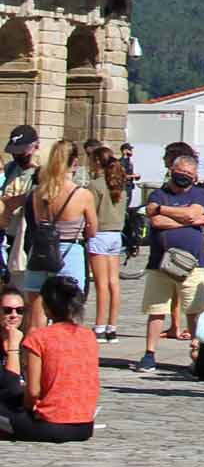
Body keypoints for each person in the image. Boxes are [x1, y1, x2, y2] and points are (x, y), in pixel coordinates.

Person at [134, 143, 204, 375]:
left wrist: (162, 210)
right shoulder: (160, 193)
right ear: (172, 171)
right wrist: (185, 218)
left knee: (194, 310)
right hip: (160, 262)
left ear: (195, 176)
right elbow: (156, 222)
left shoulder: (200, 193)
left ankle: (197, 354)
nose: (184, 177)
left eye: (189, 174)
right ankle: (149, 354)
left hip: (193, 263)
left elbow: (192, 212)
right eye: (181, 173)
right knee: (157, 309)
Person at [0, 276, 96, 442]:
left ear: (46, 306)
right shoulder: (89, 335)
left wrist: (29, 410)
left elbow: (33, 392)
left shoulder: (39, 338)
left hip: (51, 426)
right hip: (85, 426)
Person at [17, 139, 93, 329]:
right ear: (74, 162)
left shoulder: (38, 192)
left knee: (35, 317)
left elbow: (35, 223)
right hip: (69, 251)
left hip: (40, 252)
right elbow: (92, 230)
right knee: (70, 315)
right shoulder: (82, 194)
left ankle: (32, 357)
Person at [81, 145, 127, 341]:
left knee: (101, 284)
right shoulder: (118, 183)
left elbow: (90, 214)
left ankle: (99, 327)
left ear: (97, 162)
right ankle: (112, 327)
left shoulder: (95, 185)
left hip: (99, 234)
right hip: (116, 235)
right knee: (113, 283)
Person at [0, 126, 38, 281]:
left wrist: (11, 201)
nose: (17, 155)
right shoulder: (10, 169)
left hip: (27, 238)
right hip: (7, 234)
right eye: (14, 152)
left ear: (35, 146)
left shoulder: (41, 172)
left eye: (21, 151)